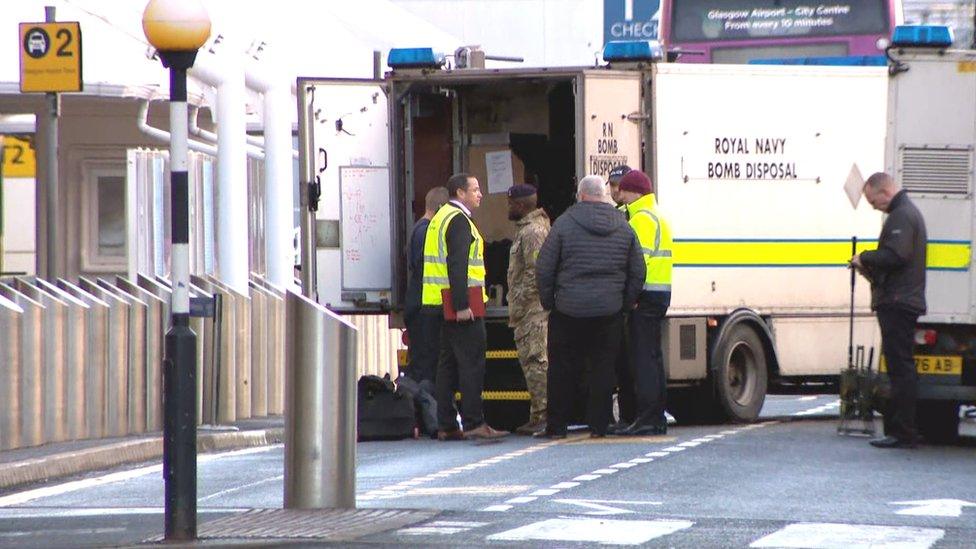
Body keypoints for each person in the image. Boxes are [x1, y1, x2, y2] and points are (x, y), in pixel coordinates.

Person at [535, 175, 645, 439]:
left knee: (561, 369)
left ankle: (557, 426)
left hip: (568, 310)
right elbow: (638, 270)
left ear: (581, 195)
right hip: (609, 311)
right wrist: (625, 303)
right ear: (603, 195)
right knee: (603, 369)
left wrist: (550, 302)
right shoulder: (624, 225)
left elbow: (544, 267)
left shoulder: (564, 224)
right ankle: (599, 425)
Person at [422, 173, 509, 441]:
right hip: (459, 304)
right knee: (472, 363)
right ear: (460, 193)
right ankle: (474, 423)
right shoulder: (459, 221)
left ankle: (446, 424)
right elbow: (457, 264)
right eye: (475, 189)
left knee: (447, 365)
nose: (480, 194)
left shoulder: (441, 217)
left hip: (438, 302)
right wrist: (461, 305)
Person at [851, 172, 927, 449]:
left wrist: (865, 257)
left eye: (873, 202)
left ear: (883, 192)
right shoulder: (905, 213)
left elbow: (896, 255)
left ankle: (902, 432)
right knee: (900, 366)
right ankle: (902, 429)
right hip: (901, 299)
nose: (874, 207)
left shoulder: (902, 216)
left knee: (899, 367)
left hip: (898, 301)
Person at [614, 169, 673, 436]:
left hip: (645, 297)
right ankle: (656, 417)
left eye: (623, 190)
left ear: (634, 192)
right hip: (658, 294)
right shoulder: (656, 215)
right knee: (653, 358)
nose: (619, 194)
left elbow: (639, 264)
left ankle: (648, 417)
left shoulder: (642, 219)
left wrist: (631, 297)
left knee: (643, 361)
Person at [506, 183, 551, 435]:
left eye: (511, 203)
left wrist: (520, 301)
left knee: (536, 361)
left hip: (533, 311)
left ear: (521, 205)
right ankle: (537, 414)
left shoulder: (533, 232)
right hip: (529, 310)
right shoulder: (528, 229)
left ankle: (544, 415)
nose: (509, 208)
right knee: (533, 362)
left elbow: (535, 273)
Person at [405, 187, 450, 384]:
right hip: (422, 309)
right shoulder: (426, 232)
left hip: (418, 307)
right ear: (440, 208)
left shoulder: (419, 229)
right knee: (425, 368)